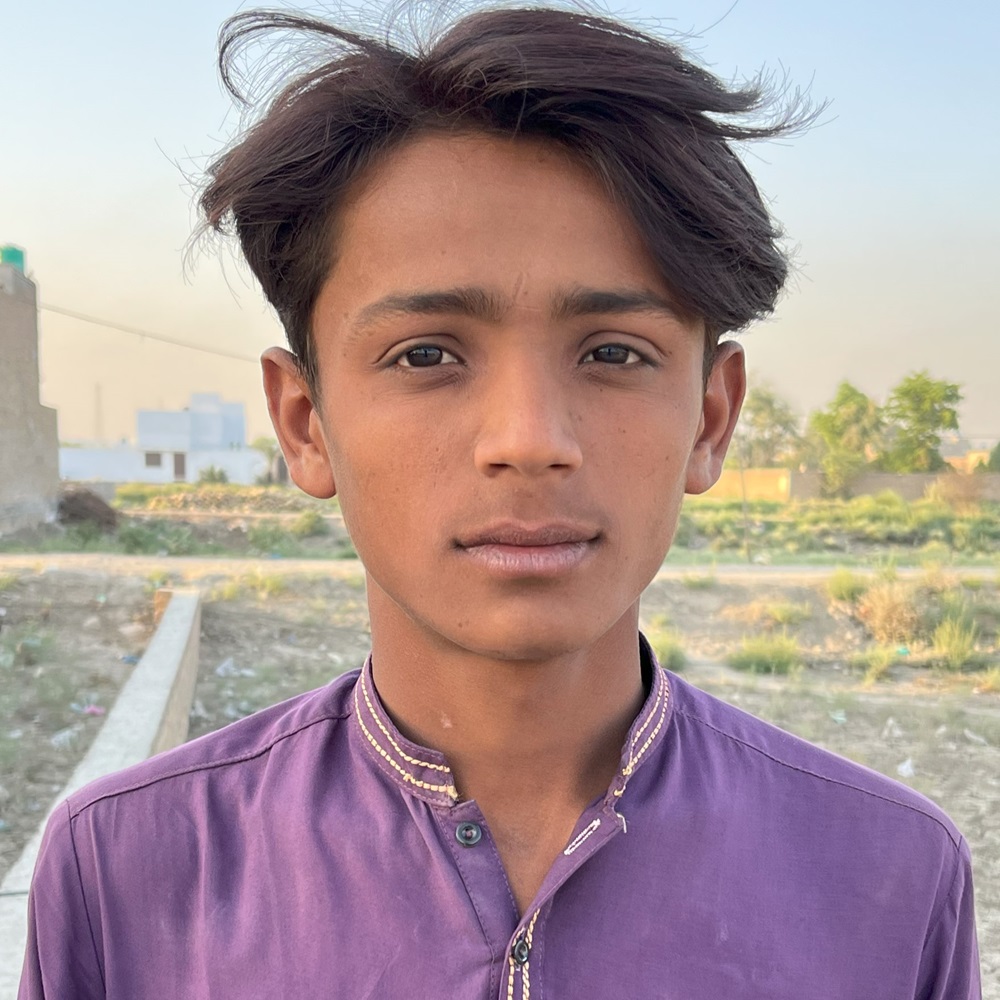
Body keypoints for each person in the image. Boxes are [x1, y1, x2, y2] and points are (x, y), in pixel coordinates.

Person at [20, 6, 980, 998]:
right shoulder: (124, 871)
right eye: (424, 354)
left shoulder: (889, 878)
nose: (528, 438)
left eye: (615, 353)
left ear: (709, 417)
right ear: (305, 424)